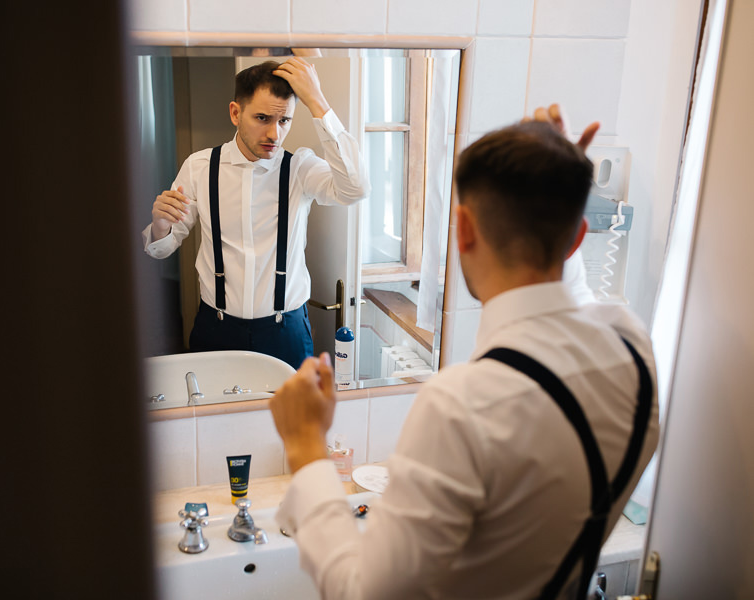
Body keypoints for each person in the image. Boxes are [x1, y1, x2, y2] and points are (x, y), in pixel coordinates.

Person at [268, 105, 660, 599]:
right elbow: (576, 298)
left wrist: (306, 448)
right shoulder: (633, 348)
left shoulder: (466, 405)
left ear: (464, 229)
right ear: (577, 237)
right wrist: (554, 191)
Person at [141, 57, 370, 368]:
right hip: (216, 329)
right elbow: (162, 248)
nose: (274, 134)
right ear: (236, 113)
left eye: (284, 120)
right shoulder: (199, 167)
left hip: (285, 331)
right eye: (262, 118)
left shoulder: (300, 168)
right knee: (213, 418)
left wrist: (317, 101)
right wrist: (159, 225)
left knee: (292, 418)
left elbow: (355, 188)